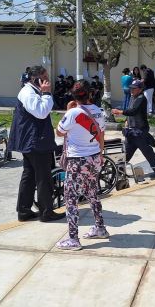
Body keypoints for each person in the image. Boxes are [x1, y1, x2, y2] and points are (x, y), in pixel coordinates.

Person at [55, 80, 108, 251]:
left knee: (70, 197)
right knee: (93, 193)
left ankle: (73, 239)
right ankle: (100, 227)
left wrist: (69, 110)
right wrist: (100, 155)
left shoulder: (74, 113)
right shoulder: (99, 112)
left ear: (74, 96)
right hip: (94, 158)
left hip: (78, 160)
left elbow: (59, 131)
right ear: (90, 94)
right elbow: (101, 136)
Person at [8, 65, 65, 222]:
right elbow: (41, 112)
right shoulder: (28, 93)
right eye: (45, 78)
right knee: (43, 177)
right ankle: (46, 212)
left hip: (33, 141)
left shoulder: (32, 91)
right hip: (35, 142)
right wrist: (46, 93)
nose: (48, 81)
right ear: (36, 79)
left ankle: (24, 210)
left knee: (30, 175)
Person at [112, 80, 155, 178]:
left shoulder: (141, 98)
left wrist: (120, 112)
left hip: (140, 131)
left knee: (147, 151)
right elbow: (129, 111)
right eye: (131, 88)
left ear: (140, 89)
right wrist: (126, 121)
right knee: (126, 151)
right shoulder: (133, 97)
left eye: (134, 88)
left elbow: (133, 111)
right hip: (131, 131)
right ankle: (118, 171)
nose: (131, 90)